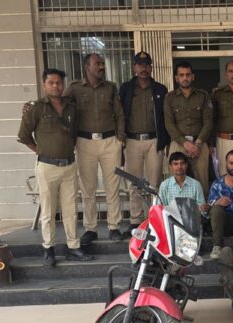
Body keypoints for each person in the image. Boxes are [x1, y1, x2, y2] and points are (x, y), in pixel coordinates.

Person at [17, 68, 94, 266]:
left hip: (69, 165)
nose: (55, 86)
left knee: (70, 209)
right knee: (48, 210)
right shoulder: (36, 108)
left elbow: (74, 132)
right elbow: (23, 135)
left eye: (58, 82)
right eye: (51, 82)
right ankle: (48, 248)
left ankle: (73, 246)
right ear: (44, 85)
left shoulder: (70, 107)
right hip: (47, 166)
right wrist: (39, 150)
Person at [65, 53, 128, 243]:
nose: (101, 66)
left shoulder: (110, 88)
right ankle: (90, 228)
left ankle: (114, 226)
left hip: (109, 141)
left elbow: (119, 114)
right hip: (84, 142)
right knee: (88, 188)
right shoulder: (74, 88)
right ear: (87, 66)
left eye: (102, 63)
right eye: (97, 63)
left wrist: (120, 140)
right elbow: (58, 105)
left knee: (113, 186)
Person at [119, 51, 170, 228]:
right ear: (134, 67)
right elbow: (120, 115)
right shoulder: (126, 89)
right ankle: (135, 220)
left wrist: (165, 141)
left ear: (151, 67)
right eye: (140, 65)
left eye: (147, 65)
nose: (144, 68)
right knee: (134, 183)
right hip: (132, 140)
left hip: (154, 140)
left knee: (154, 183)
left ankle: (153, 219)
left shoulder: (160, 89)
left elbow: (165, 117)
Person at [164, 61, 214, 196]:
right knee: (175, 183)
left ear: (193, 76)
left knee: (202, 183)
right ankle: (176, 209)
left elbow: (208, 122)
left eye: (187, 75)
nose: (185, 78)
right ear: (176, 78)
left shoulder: (203, 96)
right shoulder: (169, 98)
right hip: (178, 144)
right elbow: (169, 124)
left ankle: (202, 209)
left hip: (199, 144)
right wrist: (185, 143)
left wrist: (198, 143)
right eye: (181, 75)